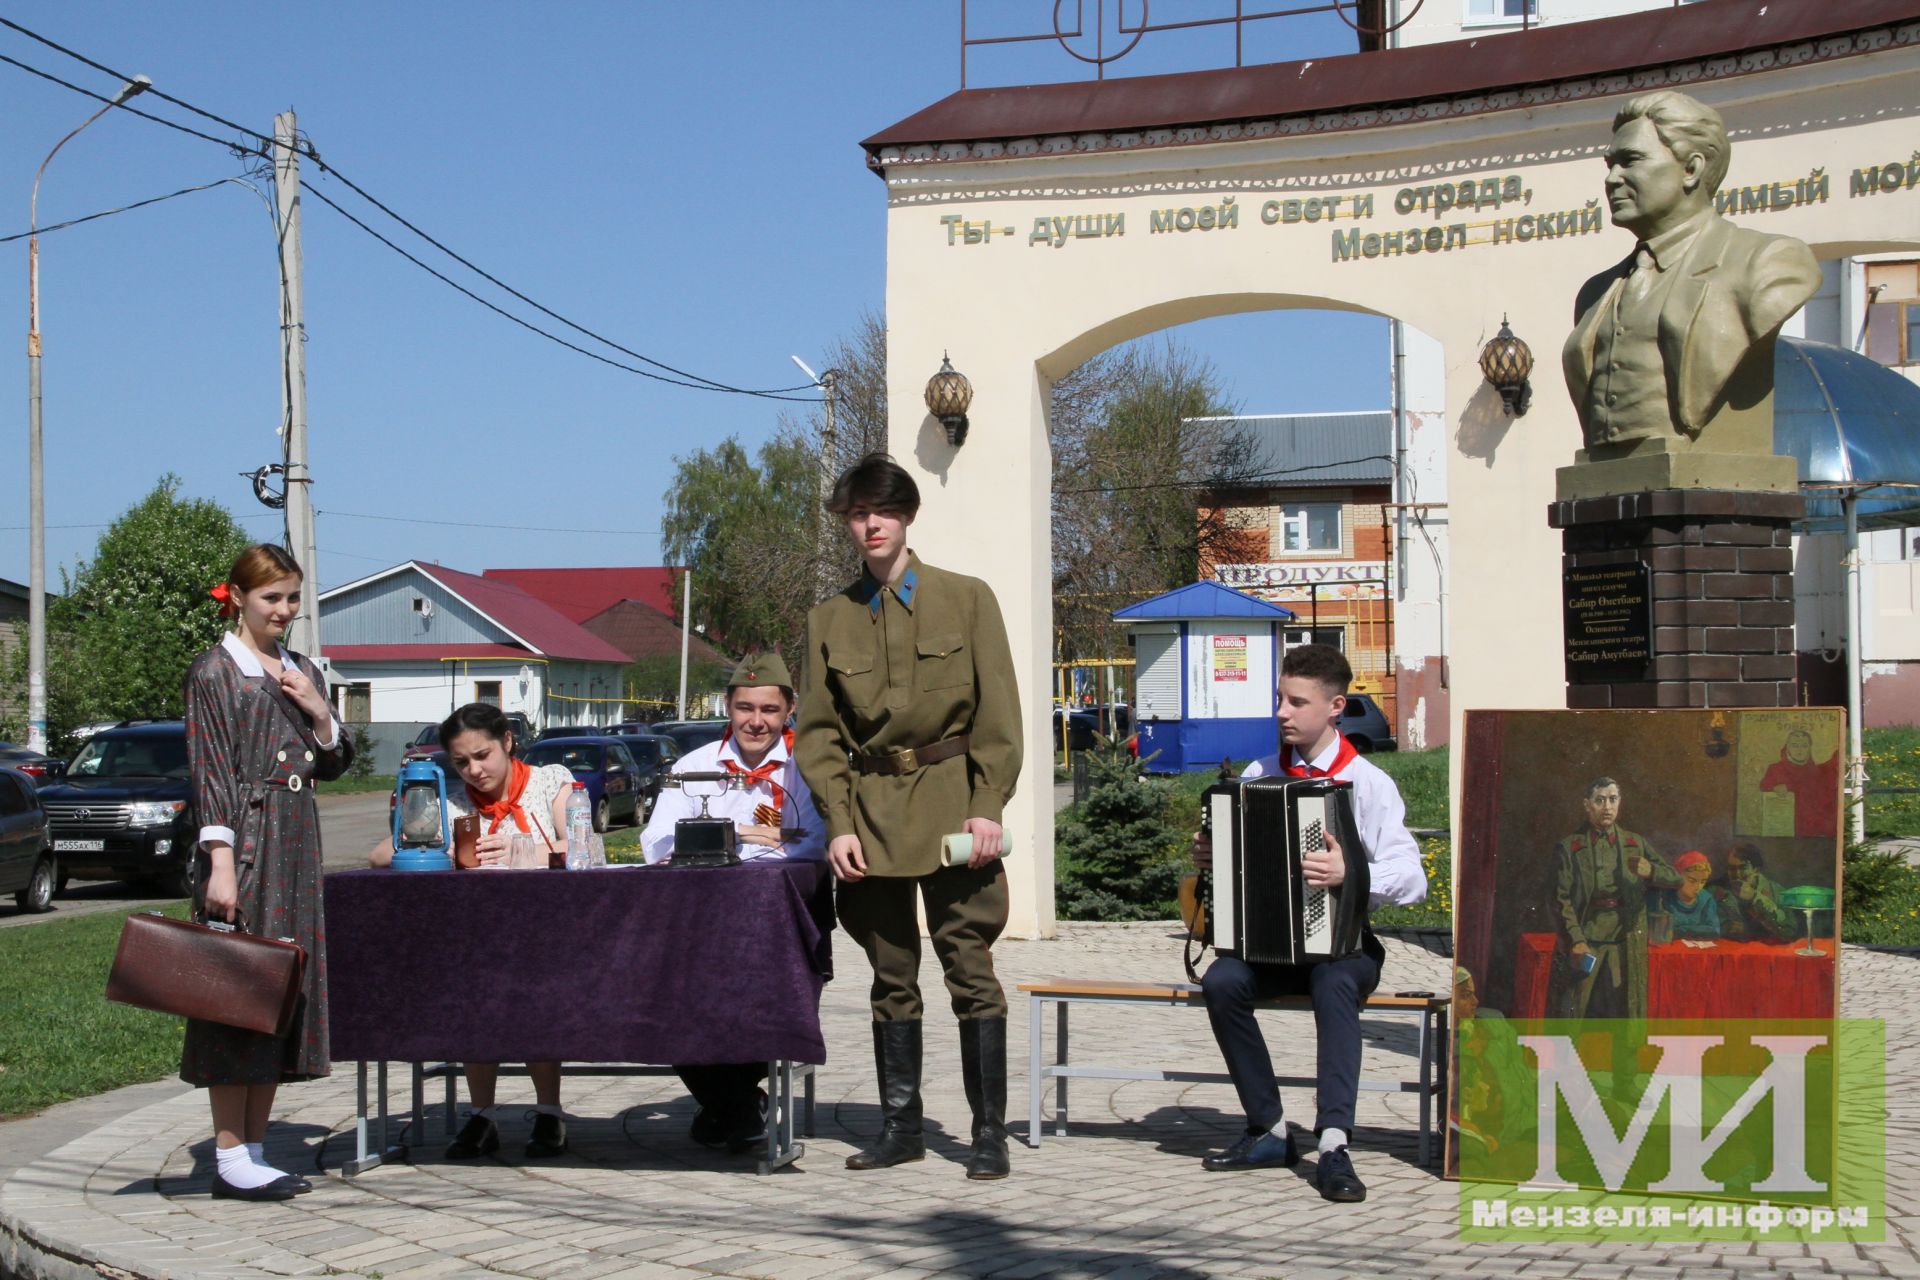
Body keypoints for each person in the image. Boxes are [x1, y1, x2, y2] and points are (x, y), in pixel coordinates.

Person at [795, 453, 1022, 1180]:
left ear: (906, 516)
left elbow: (1000, 717)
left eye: (882, 512)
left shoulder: (967, 599)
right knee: (891, 974)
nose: (870, 526)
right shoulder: (828, 619)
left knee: (970, 968)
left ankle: (987, 1134)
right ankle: (903, 1128)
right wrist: (839, 822)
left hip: (956, 807)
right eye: (858, 515)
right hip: (871, 817)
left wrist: (989, 806)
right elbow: (821, 735)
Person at [1189, 644, 1426, 1203]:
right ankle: (1268, 1128)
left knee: (1335, 983)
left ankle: (1335, 1142)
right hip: (1271, 948)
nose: (1282, 712)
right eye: (1280, 698)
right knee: (1222, 981)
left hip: (1345, 948)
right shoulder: (1258, 774)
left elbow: (1413, 877)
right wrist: (1211, 856)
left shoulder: (1367, 783)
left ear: (1335, 706)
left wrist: (1353, 870)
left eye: (1296, 702)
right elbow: (1238, 864)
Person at [182, 544, 355, 1202]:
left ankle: (255, 1146)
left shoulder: (301, 668)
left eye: (291, 598)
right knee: (236, 997)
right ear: (238, 596)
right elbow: (212, 772)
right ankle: (229, 1154)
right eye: (270, 598)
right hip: (247, 846)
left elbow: (336, 762)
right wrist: (220, 864)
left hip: (296, 844)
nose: (283, 610)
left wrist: (318, 709)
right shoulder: (214, 672)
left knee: (279, 991)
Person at [1562, 91, 1821, 456]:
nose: (1612, 179)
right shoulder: (1596, 293)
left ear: (1691, 169)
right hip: (1609, 480)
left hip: (1703, 492)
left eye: (1630, 161)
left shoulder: (1767, 261)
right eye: (1609, 165)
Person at [371, 703, 575, 1160]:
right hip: (477, 937)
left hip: (548, 931)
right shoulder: (453, 801)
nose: (475, 770)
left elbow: (586, 846)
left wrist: (524, 849)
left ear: (507, 741)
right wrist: (441, 850)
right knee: (475, 1009)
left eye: (482, 755)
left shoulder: (549, 782)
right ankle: (482, 1115)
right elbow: (382, 854)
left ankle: (549, 1112)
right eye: (461, 762)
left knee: (536, 1009)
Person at [640, 651, 824, 1152]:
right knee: (668, 1001)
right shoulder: (693, 767)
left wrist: (714, 840)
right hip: (698, 926)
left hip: (780, 925)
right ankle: (738, 1106)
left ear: (789, 709)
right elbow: (656, 842)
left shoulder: (805, 769)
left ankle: (733, 1107)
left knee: (764, 1011)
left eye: (769, 709)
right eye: (745, 708)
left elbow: (812, 842)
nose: (756, 721)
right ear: (728, 706)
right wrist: (738, 833)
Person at [1547, 778, 1680, 1020]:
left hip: (1624, 939)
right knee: (1572, 1010)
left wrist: (1651, 871)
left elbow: (1675, 878)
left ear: (1620, 803)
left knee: (1625, 1013)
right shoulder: (1569, 847)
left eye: (1613, 799)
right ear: (1587, 805)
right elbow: (1560, 900)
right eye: (1600, 800)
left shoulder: (1635, 843)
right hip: (1587, 937)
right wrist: (1576, 939)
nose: (1607, 807)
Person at [1758, 727, 1840, 838]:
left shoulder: (1818, 772)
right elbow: (1764, 786)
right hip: (1784, 830)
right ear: (1787, 747)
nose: (1799, 750)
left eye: (1804, 746)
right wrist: (1774, 787)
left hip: (1812, 832)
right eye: (1795, 745)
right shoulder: (1776, 769)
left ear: (1810, 747)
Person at [1713, 843, 1793, 941]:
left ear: (1756, 869)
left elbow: (1789, 931)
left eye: (1743, 868)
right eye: (1731, 868)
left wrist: (1754, 897)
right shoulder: (1720, 892)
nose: (1736, 874)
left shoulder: (1776, 891)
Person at [1656, 850, 1722, 940]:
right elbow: (1659, 930)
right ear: (1678, 876)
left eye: (1703, 881)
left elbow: (1714, 930)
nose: (1698, 887)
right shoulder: (1665, 897)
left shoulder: (1707, 899)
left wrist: (1682, 930)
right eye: (1692, 880)